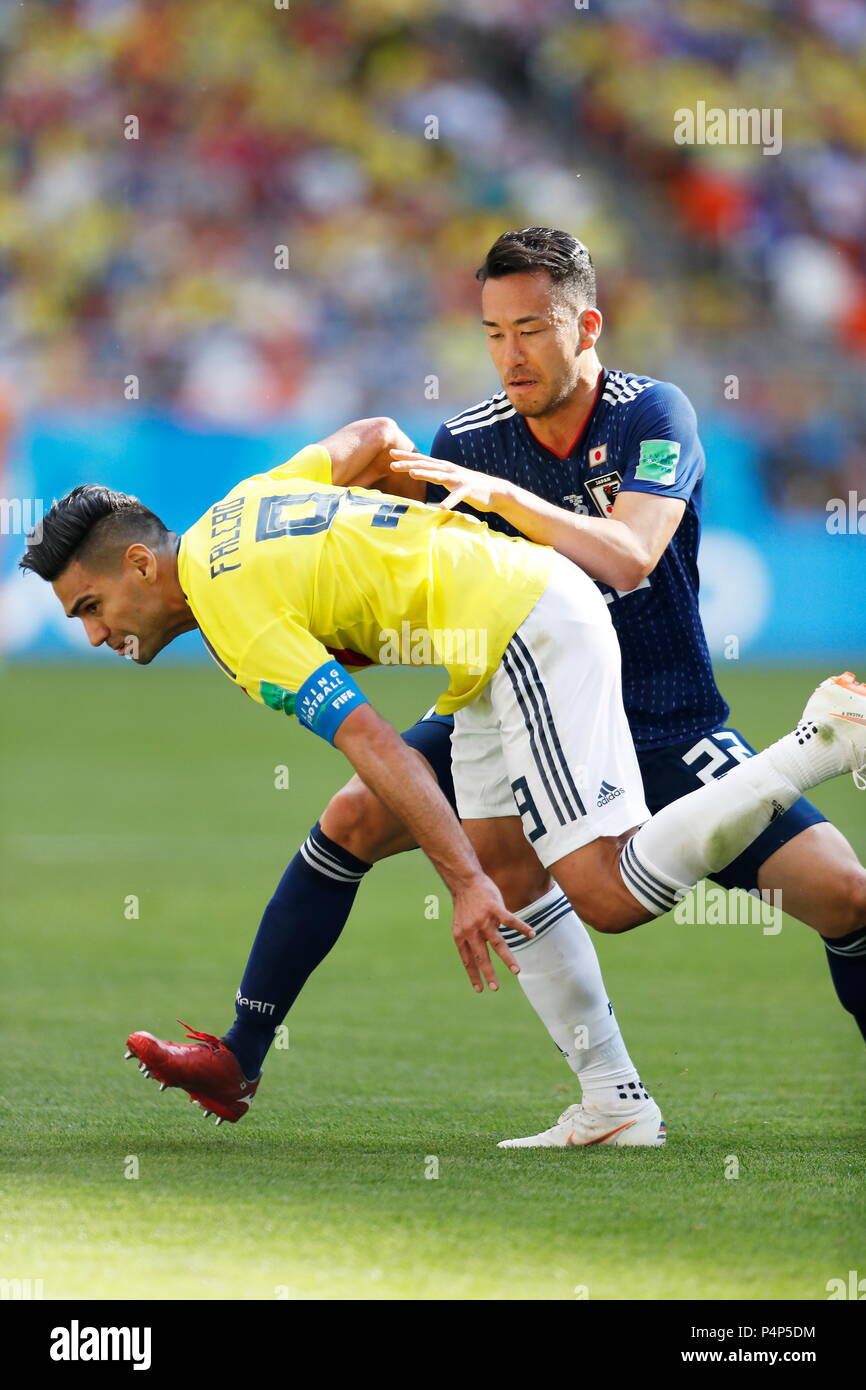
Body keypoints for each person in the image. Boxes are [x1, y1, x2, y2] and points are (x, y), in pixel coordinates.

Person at [19, 441, 866, 1146]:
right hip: (494, 635)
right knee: (508, 866)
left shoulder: (231, 608)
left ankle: (816, 743)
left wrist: (461, 882)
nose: (96, 635)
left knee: (602, 894)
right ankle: (615, 1105)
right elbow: (374, 435)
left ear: (139, 563)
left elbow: (376, 742)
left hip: (527, 624)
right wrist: (377, 565)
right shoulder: (242, 505)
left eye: (91, 606)